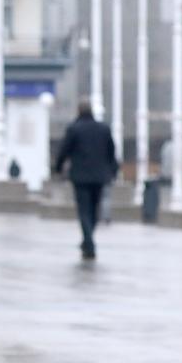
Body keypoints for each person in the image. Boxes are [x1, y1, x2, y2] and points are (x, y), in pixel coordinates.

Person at [54, 100, 117, 260]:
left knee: (84, 211)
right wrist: (112, 171)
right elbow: (111, 152)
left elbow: (64, 150)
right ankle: (88, 241)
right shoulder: (103, 129)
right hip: (100, 177)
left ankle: (88, 243)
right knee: (94, 211)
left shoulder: (74, 129)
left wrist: (58, 167)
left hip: (81, 177)